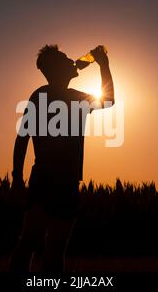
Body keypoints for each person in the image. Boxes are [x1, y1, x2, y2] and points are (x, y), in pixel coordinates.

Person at [9, 44, 115, 272]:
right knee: (35, 242)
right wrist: (103, 65)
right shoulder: (46, 95)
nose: (72, 61)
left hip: (62, 181)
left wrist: (18, 177)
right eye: (66, 59)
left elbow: (108, 101)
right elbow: (23, 137)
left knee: (44, 245)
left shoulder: (59, 96)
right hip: (51, 178)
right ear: (57, 69)